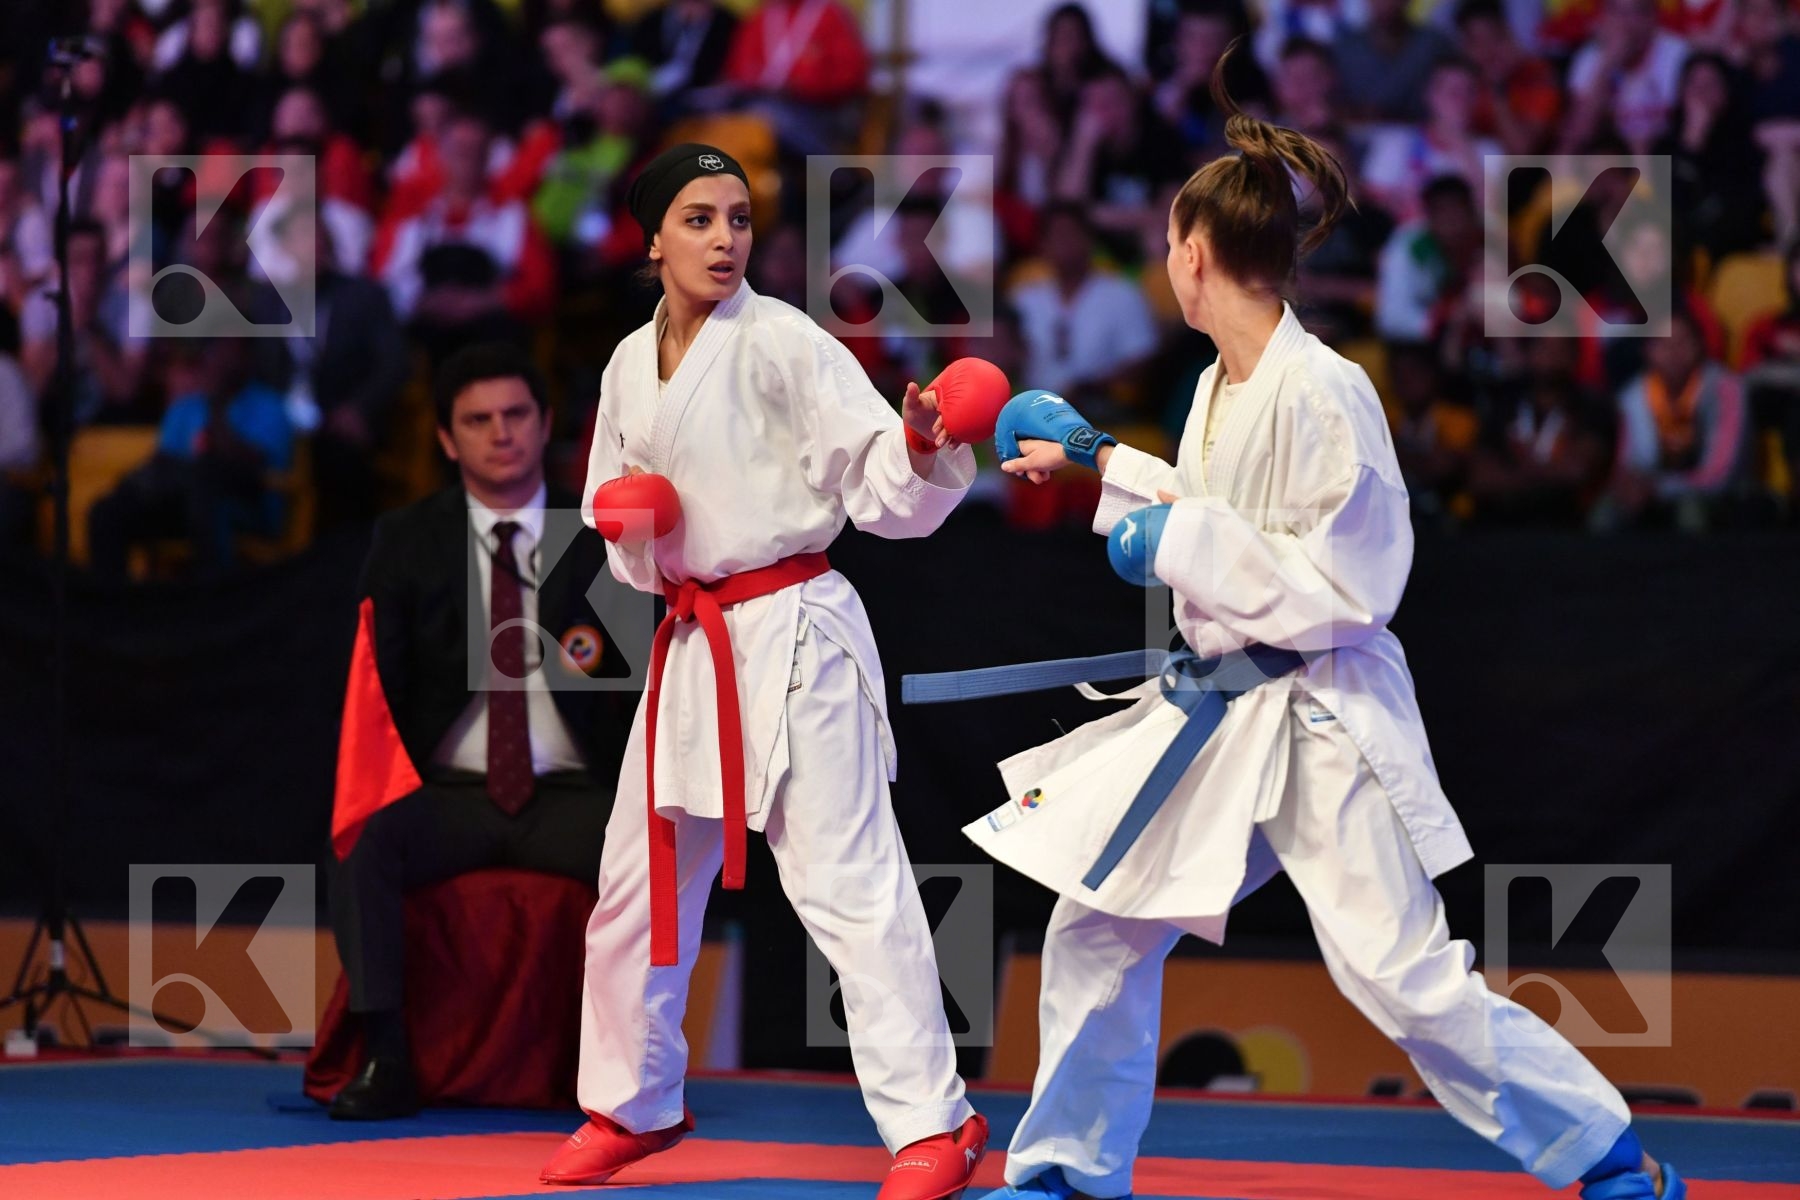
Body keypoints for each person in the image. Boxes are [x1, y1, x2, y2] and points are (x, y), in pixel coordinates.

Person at [962, 54, 1686, 1200]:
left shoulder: (1328, 388)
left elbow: (1349, 584)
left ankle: (1606, 1152)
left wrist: (1175, 543)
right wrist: (1101, 461)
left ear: (1195, 255)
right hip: (1219, 711)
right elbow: (1215, 516)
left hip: (1317, 714)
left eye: (1167, 245)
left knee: (1401, 977)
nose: (1166, 265)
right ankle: (1063, 1170)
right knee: (1096, 926)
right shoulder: (1217, 387)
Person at [538, 144, 988, 1199]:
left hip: (795, 628)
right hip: (692, 642)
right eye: (699, 220)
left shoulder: (786, 341)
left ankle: (939, 1125)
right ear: (653, 239)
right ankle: (632, 1103)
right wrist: (637, 535)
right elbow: (618, 529)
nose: (725, 239)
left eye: (738, 219)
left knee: (849, 883)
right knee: (636, 886)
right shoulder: (621, 365)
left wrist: (919, 447)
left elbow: (879, 483)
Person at [325, 342, 635, 1121]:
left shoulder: (601, 532)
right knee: (364, 833)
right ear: (444, 438)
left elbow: (634, 696)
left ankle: (628, 1071)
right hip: (450, 793)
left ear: (547, 422)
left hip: (572, 793)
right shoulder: (407, 539)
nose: (501, 433)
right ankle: (388, 1059)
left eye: (516, 415)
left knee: (653, 846)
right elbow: (379, 688)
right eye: (478, 420)